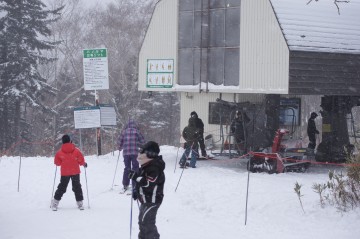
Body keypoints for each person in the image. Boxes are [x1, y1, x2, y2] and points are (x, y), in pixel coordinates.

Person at [128, 141, 165, 239]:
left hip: (152, 201)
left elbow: (149, 183)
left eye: (142, 152)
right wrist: (137, 191)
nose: (139, 154)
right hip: (145, 200)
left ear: (149, 154)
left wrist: (136, 177)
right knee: (142, 222)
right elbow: (142, 183)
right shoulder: (145, 166)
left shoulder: (155, 168)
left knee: (148, 224)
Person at [51, 134, 87, 211]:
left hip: (65, 173)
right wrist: (84, 164)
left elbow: (57, 163)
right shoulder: (76, 150)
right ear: (70, 141)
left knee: (62, 187)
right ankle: (80, 203)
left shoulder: (59, 152)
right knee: (77, 186)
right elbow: (81, 160)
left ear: (62, 142)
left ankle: (55, 202)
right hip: (75, 172)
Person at [117, 119, 145, 193]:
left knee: (127, 168)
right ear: (134, 125)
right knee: (135, 168)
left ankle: (125, 184)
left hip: (126, 153)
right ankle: (135, 184)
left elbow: (119, 141)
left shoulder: (124, 132)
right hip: (135, 153)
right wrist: (140, 146)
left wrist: (119, 147)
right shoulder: (137, 132)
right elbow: (143, 141)